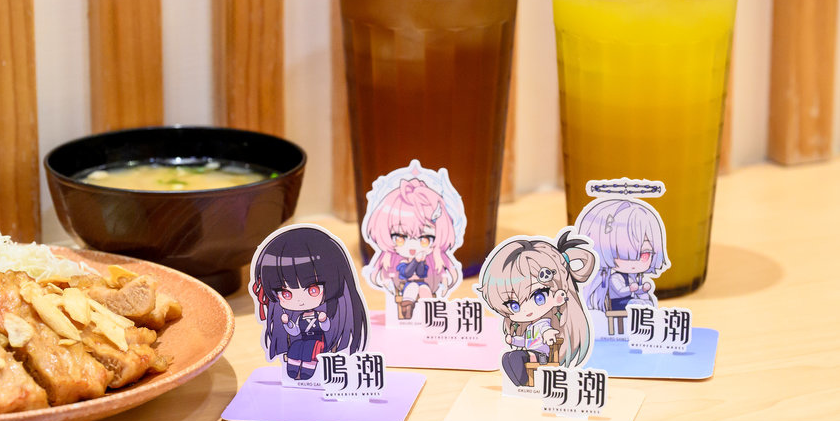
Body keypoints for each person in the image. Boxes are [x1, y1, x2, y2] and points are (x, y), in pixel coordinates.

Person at [478, 229, 597, 384]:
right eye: (514, 306)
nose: (526, 310)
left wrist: (549, 334)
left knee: (521, 358)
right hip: (531, 351)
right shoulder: (528, 328)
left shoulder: (544, 324)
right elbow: (523, 341)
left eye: (539, 297)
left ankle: (522, 377)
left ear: (558, 296)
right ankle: (521, 379)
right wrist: (512, 339)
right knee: (509, 356)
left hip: (544, 355)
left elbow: (547, 330)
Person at [252, 226, 369, 380]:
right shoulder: (299, 317)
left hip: (318, 342)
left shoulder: (320, 314)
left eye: (312, 290)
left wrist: (323, 320)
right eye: (286, 294)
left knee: (309, 350)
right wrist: (287, 324)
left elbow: (326, 327)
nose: (300, 301)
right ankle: (293, 370)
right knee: (295, 347)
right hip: (302, 340)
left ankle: (307, 371)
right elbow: (294, 332)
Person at [363, 162, 462, 320]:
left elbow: (422, 272)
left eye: (425, 239)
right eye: (400, 238)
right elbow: (407, 272)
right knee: (412, 288)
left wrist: (421, 261)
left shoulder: (429, 259)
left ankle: (429, 313)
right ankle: (407, 309)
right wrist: (416, 260)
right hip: (406, 285)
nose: (412, 246)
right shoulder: (400, 263)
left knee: (424, 290)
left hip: (424, 283)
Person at [575, 198, 669, 314]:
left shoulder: (633, 277)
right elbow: (619, 291)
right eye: (623, 253)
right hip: (618, 304)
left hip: (630, 303)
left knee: (646, 303)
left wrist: (642, 289)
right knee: (635, 304)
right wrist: (631, 289)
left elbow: (637, 291)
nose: (634, 261)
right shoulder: (615, 278)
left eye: (645, 254)